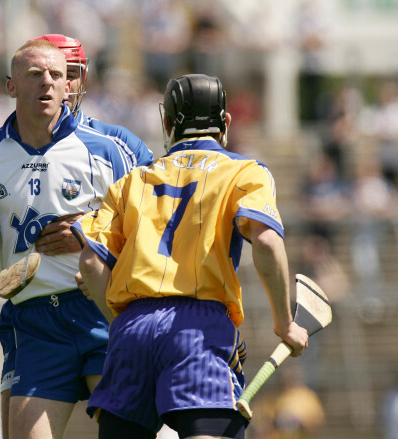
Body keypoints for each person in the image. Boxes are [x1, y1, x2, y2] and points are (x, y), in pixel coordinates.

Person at [0, 34, 153, 439]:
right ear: (11, 86)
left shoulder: (113, 147)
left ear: (68, 85)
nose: (48, 82)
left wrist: (89, 232)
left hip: (106, 311)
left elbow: (158, 221)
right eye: (35, 74)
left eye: (57, 75)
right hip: (36, 324)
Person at [72, 73, 309, 439]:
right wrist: (285, 322)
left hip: (131, 328)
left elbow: (90, 263)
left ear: (166, 122)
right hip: (199, 329)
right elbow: (265, 243)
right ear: (225, 123)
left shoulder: (131, 181)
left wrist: (121, 321)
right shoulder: (245, 171)